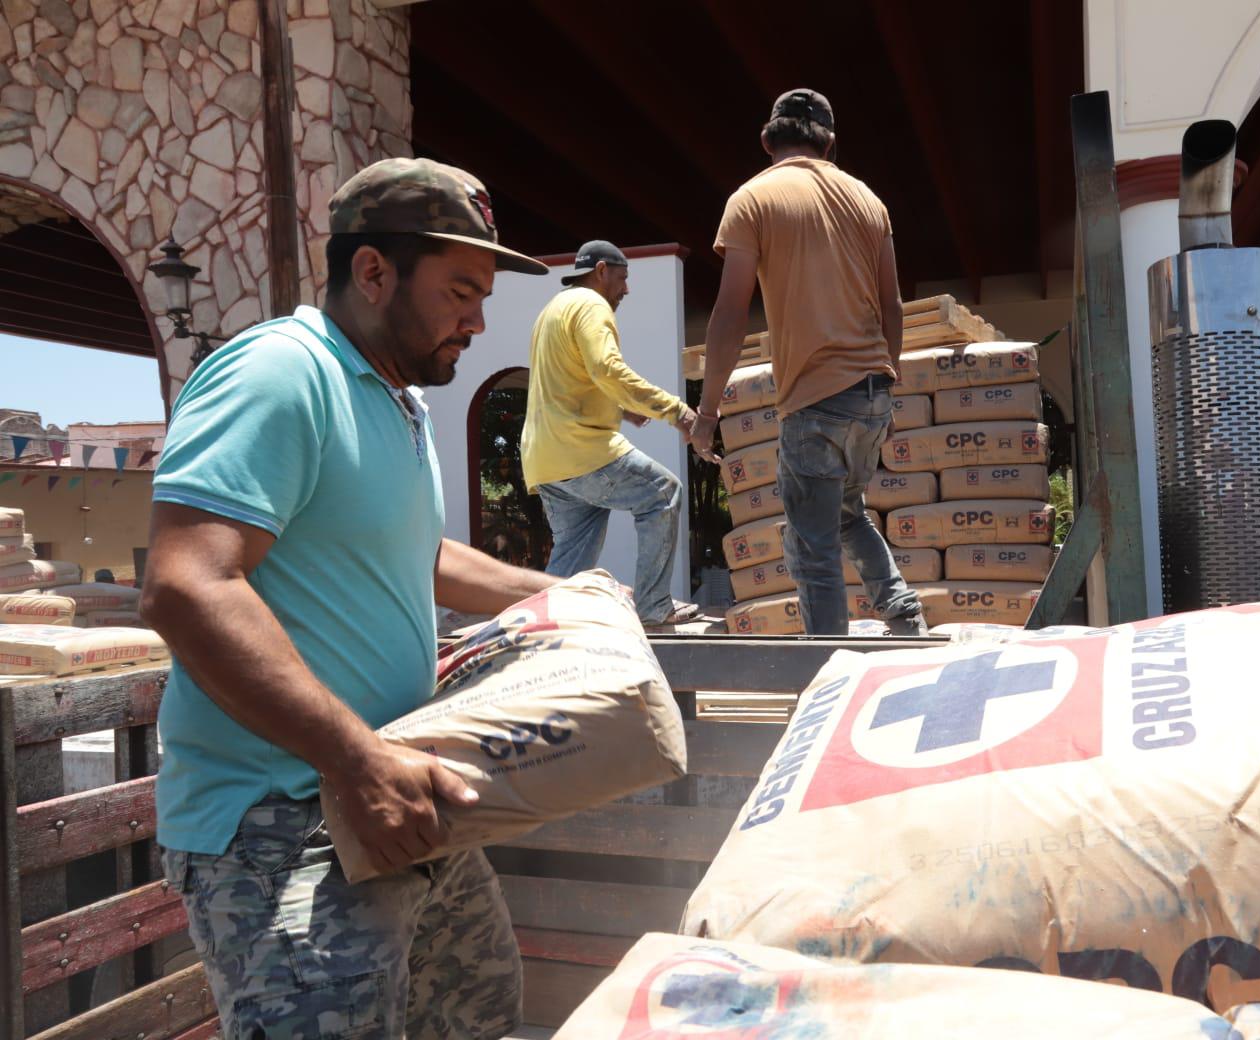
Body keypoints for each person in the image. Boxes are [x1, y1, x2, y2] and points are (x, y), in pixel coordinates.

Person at [140, 157, 554, 1039]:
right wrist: (357, 761)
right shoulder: (281, 373)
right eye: (460, 292)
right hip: (287, 821)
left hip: (405, 792)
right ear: (373, 272)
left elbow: (411, 549)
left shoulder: (394, 401)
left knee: (478, 1020)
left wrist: (559, 595)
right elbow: (189, 583)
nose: (478, 322)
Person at [692, 89, 927, 635]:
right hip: (871, 393)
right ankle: (903, 612)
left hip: (814, 401)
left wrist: (707, 414)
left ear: (767, 139)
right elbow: (892, 305)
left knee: (812, 545)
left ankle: (827, 663)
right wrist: (887, 386)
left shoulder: (752, 199)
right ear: (831, 144)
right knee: (848, 514)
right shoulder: (869, 200)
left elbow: (729, 314)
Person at [521, 240, 705, 628]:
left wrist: (620, 409)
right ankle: (654, 606)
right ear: (601, 271)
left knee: (571, 559)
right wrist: (676, 410)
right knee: (663, 493)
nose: (626, 289)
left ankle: (545, 626)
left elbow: (567, 379)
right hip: (580, 451)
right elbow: (607, 369)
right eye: (623, 278)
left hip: (545, 460)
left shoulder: (552, 310)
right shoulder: (592, 305)